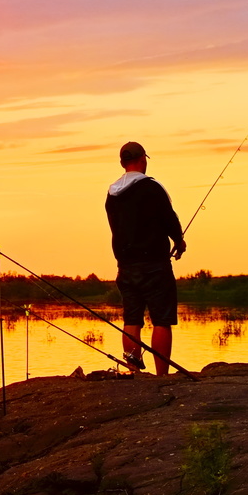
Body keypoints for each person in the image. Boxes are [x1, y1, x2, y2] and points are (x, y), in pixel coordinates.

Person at [105, 141, 185, 375]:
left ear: (122, 163)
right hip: (155, 264)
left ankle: (133, 371)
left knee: (132, 319)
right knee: (161, 320)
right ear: (142, 160)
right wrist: (179, 241)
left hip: (125, 266)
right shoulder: (152, 188)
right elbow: (169, 218)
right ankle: (162, 376)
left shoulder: (112, 194)